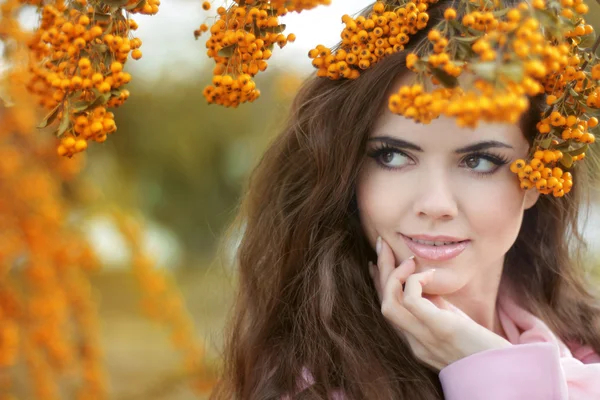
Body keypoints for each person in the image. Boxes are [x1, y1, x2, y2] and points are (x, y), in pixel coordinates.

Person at [210, 0, 600, 398]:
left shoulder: (588, 349)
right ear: (348, 175)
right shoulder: (314, 388)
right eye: (393, 156)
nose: (434, 203)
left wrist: (482, 362)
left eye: (479, 161)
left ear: (539, 177)